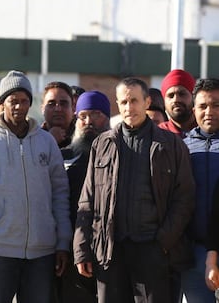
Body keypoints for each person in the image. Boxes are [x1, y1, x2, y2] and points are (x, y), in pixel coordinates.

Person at [73, 77, 195, 303]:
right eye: (123, 102)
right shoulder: (102, 144)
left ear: (147, 102)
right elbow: (87, 199)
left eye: (134, 101)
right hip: (110, 251)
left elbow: (184, 197)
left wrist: (162, 242)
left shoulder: (171, 145)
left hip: (153, 251)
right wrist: (82, 249)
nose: (129, 108)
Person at [0, 70, 72, 303]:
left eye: (24, 101)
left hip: (43, 253)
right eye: (13, 101)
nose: (19, 107)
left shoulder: (46, 141)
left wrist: (63, 242)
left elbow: (60, 196)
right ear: (1, 103)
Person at [58, 91, 111, 303]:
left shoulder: (119, 155)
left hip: (109, 250)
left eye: (96, 114)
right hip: (70, 249)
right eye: (83, 116)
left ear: (107, 117)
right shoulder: (63, 156)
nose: (89, 121)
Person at [181, 78, 219, 302]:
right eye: (203, 106)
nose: (209, 112)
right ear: (193, 109)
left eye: (216, 105)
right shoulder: (181, 147)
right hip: (192, 253)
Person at [159, 69, 197, 138]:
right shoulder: (157, 134)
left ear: (193, 97)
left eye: (182, 94)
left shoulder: (208, 132)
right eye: (171, 96)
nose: (176, 100)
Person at [41, 81, 75, 148]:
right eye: (51, 104)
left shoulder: (84, 139)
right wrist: (48, 141)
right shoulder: (31, 138)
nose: (58, 109)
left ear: (73, 109)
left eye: (63, 104)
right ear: (42, 109)